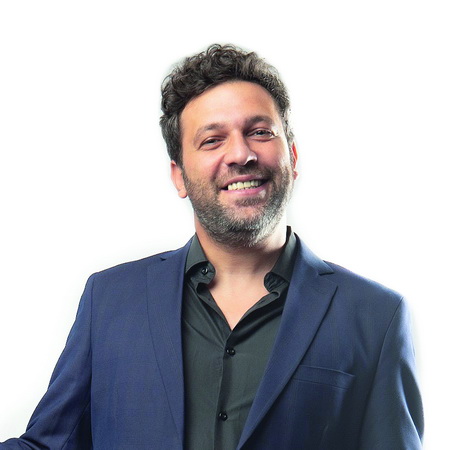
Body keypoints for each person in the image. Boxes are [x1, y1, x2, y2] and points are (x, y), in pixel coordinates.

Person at [0, 44, 423, 449]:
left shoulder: (376, 317)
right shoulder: (109, 300)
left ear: (292, 156)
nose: (240, 154)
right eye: (212, 140)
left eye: (260, 132)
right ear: (179, 176)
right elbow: (49, 444)